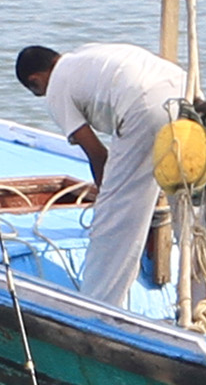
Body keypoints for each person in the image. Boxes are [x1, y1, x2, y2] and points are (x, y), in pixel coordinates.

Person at [17, 41, 188, 303]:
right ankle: (200, 298)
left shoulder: (55, 88)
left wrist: (106, 196)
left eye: (37, 91)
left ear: (35, 80)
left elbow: (97, 153)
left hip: (143, 106)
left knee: (114, 217)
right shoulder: (86, 53)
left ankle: (100, 303)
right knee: (188, 203)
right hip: (185, 88)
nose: (43, 95)